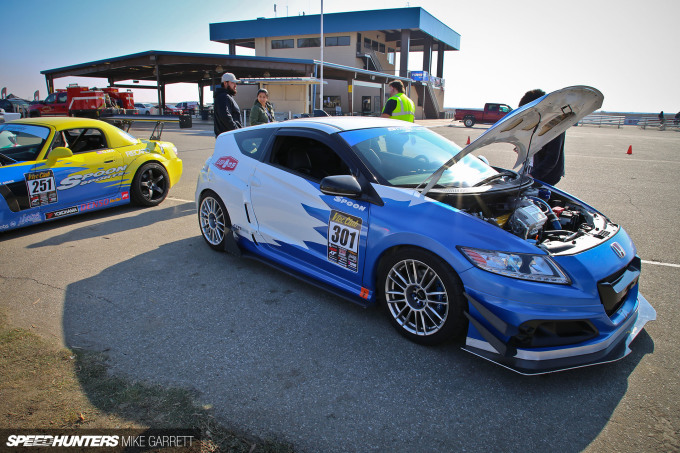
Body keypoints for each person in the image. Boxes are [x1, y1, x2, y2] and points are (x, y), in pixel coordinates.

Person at [518, 89, 565, 186]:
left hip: (545, 175)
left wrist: (533, 175)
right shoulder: (534, 121)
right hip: (531, 168)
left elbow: (552, 158)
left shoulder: (554, 124)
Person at [213, 72, 242, 136]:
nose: (235, 85)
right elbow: (225, 116)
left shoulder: (225, 96)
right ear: (225, 83)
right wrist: (236, 130)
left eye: (235, 83)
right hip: (229, 136)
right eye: (232, 83)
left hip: (228, 136)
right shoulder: (223, 96)